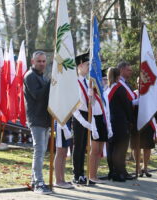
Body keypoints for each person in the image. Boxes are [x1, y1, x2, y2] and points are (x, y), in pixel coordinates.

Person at [24, 51, 51, 195]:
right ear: (32, 61)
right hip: (36, 119)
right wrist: (52, 83)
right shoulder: (30, 76)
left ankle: (35, 180)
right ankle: (39, 183)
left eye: (44, 61)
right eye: (39, 61)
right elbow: (38, 95)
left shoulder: (43, 78)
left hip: (45, 119)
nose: (42, 63)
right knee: (39, 151)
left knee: (41, 151)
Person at [72, 52, 97, 185]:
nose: (89, 68)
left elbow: (91, 102)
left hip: (88, 115)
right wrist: (82, 121)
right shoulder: (74, 81)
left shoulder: (88, 82)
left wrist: (92, 96)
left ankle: (83, 174)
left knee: (84, 147)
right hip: (78, 116)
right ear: (80, 65)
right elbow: (73, 104)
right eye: (87, 65)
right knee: (78, 147)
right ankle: (77, 175)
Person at [106, 67, 133, 182]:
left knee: (111, 148)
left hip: (109, 121)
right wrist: (131, 120)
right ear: (118, 77)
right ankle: (119, 172)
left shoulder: (106, 89)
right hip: (120, 122)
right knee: (120, 148)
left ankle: (112, 171)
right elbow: (127, 106)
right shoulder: (120, 89)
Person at [89, 77, 113, 184]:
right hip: (95, 121)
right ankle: (91, 175)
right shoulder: (91, 94)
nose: (103, 82)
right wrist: (93, 127)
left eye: (104, 80)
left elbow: (106, 111)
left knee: (99, 151)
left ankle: (95, 175)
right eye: (102, 79)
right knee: (94, 150)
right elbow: (91, 112)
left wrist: (109, 127)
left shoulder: (102, 94)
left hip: (102, 121)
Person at [54, 120, 74, 189]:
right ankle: (58, 181)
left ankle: (62, 179)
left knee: (64, 153)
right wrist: (64, 126)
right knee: (60, 152)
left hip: (66, 122)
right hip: (61, 123)